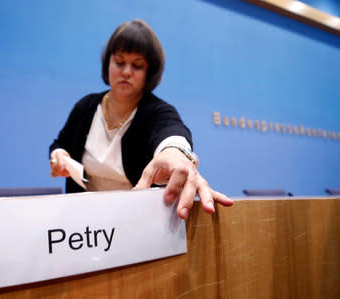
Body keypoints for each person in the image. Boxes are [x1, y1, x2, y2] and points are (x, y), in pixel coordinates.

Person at [49, 19, 232, 219]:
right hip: (82, 221)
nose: (126, 72)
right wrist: (59, 155)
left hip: (135, 221)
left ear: (149, 73)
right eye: (119, 62)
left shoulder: (156, 111)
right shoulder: (85, 107)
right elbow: (59, 143)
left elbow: (171, 132)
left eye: (137, 65)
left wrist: (175, 153)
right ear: (107, 64)